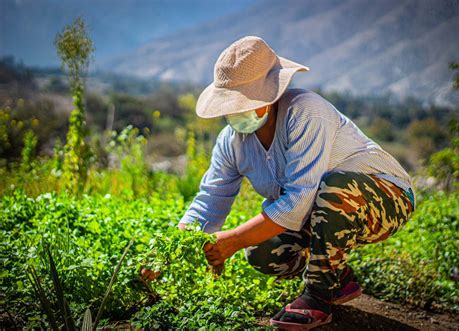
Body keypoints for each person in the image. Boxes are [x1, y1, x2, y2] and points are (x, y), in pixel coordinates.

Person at [146, 36, 416, 329]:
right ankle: (336, 279)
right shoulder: (232, 143)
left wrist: (233, 239)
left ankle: (318, 298)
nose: (237, 111)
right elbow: (210, 201)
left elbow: (298, 201)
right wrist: (169, 252)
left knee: (334, 187)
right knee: (263, 251)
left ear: (270, 96)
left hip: (386, 197)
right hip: (321, 207)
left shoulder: (305, 112)